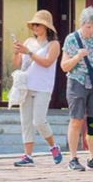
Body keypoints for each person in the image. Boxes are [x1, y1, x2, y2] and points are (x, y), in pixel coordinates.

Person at [11, 9, 63, 167]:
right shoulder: (28, 42)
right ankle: (27, 155)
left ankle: (53, 146)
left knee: (39, 121)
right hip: (26, 86)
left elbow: (47, 62)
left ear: (46, 27)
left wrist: (29, 52)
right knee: (26, 121)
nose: (35, 27)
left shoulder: (53, 44)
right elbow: (17, 63)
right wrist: (17, 52)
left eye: (38, 25)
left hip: (42, 87)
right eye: (34, 25)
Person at [62, 6, 93, 172]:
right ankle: (73, 158)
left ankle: (92, 157)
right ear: (81, 24)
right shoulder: (71, 39)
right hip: (77, 81)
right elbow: (64, 66)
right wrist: (78, 57)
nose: (90, 30)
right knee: (76, 120)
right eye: (88, 26)